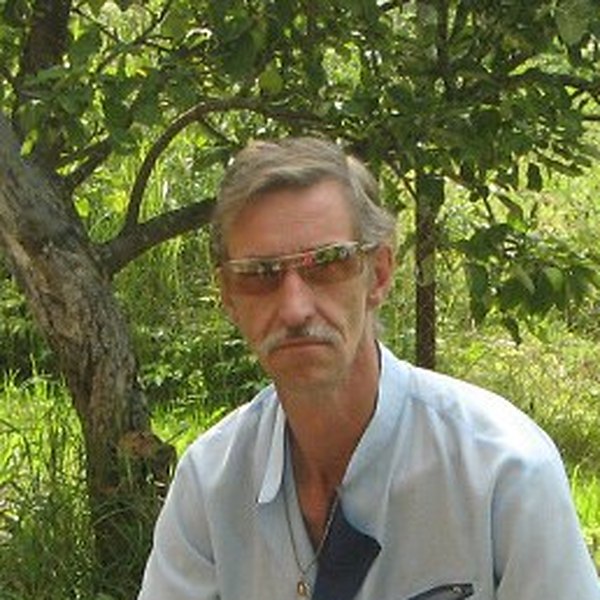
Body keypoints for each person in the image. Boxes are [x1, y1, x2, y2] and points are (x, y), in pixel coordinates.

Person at [138, 136, 599, 600]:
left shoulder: (502, 470)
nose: (295, 308)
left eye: (327, 264)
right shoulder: (211, 484)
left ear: (378, 274)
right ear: (228, 296)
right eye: (260, 275)